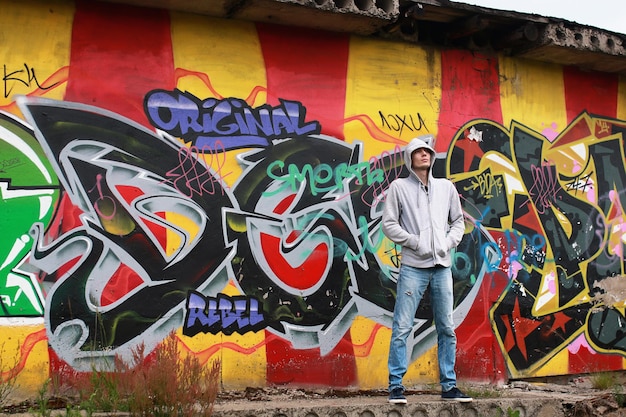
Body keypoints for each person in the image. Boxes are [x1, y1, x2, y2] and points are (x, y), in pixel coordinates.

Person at [382, 134, 471, 404]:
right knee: (402, 327)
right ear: (410, 159)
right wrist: (414, 242)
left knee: (446, 327)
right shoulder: (399, 188)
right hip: (413, 268)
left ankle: (449, 386)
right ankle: (396, 386)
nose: (425, 155)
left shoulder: (446, 188)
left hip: (442, 267)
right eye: (419, 152)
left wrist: (448, 242)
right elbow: (389, 224)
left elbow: (458, 222)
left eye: (428, 152)